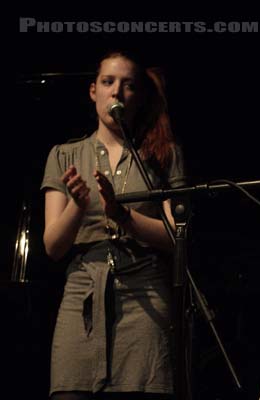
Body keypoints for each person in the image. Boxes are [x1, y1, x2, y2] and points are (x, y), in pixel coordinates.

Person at [42, 50, 186, 399]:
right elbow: (52, 246)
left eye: (128, 85)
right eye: (108, 82)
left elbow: (178, 238)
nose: (116, 92)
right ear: (94, 91)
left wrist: (124, 217)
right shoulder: (65, 154)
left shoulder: (163, 154)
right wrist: (78, 206)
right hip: (84, 291)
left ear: (139, 96)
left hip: (146, 290)